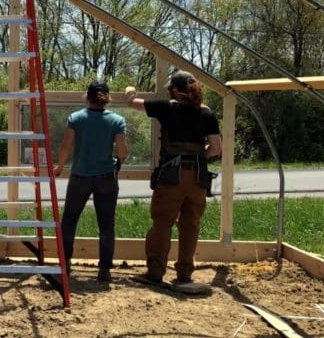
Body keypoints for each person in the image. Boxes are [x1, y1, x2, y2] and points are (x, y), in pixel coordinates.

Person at [124, 70, 222, 287]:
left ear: (176, 91)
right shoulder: (207, 113)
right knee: (191, 225)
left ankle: (155, 273)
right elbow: (215, 148)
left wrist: (130, 92)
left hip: (171, 176)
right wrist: (197, 158)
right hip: (198, 178)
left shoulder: (168, 107)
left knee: (162, 224)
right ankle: (185, 274)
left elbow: (133, 103)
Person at [54, 80, 128, 282]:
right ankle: (104, 270)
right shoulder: (117, 120)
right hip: (106, 177)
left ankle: (65, 264)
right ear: (107, 98)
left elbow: (65, 147)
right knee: (106, 225)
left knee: (69, 221)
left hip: (80, 177)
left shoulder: (76, 118)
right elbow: (122, 151)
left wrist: (59, 167)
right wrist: (117, 162)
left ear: (87, 97)